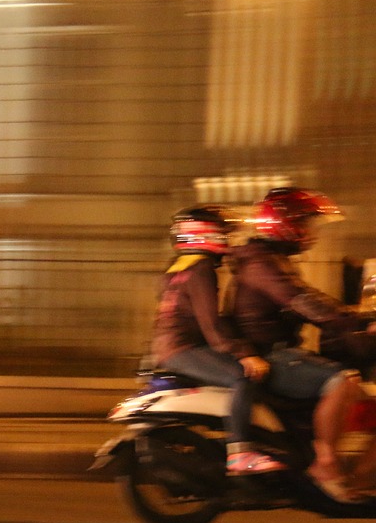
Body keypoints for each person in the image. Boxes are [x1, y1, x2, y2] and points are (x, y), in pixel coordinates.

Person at [228, 186, 367, 502]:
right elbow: (301, 301)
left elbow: (309, 297)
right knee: (343, 380)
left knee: (359, 395)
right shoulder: (261, 264)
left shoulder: (271, 259)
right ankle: (325, 463)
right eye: (307, 223)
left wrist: (354, 316)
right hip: (271, 354)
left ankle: (352, 477)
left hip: (282, 350)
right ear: (286, 224)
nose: (311, 233)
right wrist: (352, 321)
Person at [151, 204, 284, 475]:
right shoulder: (201, 269)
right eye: (223, 233)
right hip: (183, 349)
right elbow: (211, 325)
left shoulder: (177, 267)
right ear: (205, 233)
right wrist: (244, 353)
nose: (227, 239)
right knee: (243, 376)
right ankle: (240, 452)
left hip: (170, 347)